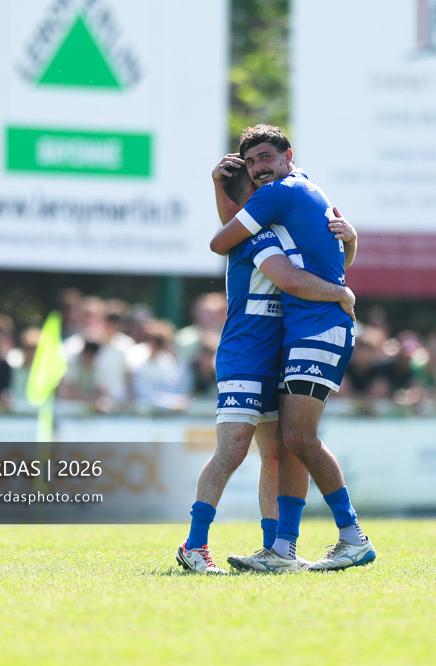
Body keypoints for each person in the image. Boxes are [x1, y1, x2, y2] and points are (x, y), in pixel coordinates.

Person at [176, 149, 358, 575]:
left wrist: (349, 241)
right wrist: (342, 294)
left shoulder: (278, 229)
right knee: (233, 447)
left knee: (276, 454)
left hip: (275, 351)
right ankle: (194, 544)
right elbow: (292, 279)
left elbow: (320, 265)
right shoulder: (258, 236)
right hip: (246, 352)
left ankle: (277, 549)